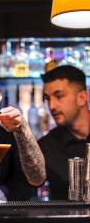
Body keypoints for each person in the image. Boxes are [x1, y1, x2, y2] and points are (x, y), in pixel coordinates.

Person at [39, 65, 90, 200]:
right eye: (47, 99)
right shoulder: (46, 146)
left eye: (59, 96)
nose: (51, 106)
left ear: (82, 97)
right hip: (64, 220)